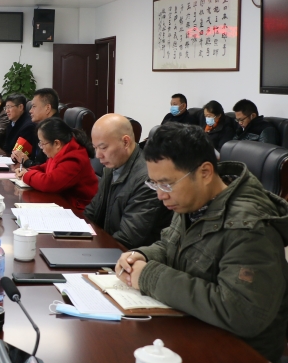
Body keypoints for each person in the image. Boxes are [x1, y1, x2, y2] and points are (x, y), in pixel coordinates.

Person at [115, 122, 288, 363]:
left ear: (205, 172)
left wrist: (150, 276)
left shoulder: (249, 226)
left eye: (166, 184)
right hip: (192, 328)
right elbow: (171, 245)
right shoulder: (192, 199)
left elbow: (241, 312)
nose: (160, 195)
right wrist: (141, 255)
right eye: (154, 184)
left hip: (235, 351)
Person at [84, 114, 171, 248]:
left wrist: (92, 248)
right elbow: (92, 212)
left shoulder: (147, 180)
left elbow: (127, 239)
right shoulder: (111, 167)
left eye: (103, 147)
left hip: (128, 254)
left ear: (125, 142)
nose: (98, 155)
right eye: (95, 148)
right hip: (107, 245)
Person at [15, 117, 98, 210]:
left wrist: (26, 175)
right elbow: (45, 167)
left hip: (79, 210)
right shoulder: (60, 152)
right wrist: (27, 170)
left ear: (57, 143)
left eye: (42, 143)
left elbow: (49, 183)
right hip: (62, 202)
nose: (41, 148)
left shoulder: (74, 158)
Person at [13, 88, 59, 167]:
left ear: (47, 108)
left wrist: (27, 162)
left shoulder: (54, 131)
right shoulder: (41, 126)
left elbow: (47, 167)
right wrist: (19, 156)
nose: (30, 111)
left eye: (34, 106)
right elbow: (35, 158)